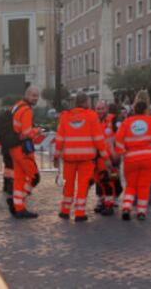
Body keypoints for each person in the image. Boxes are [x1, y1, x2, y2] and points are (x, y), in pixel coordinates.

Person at [54, 93, 109, 222]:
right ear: (85, 103)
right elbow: (98, 139)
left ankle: (65, 210)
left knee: (68, 184)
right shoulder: (91, 116)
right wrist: (105, 156)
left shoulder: (65, 117)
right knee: (83, 184)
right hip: (86, 158)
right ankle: (79, 212)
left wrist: (56, 156)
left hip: (69, 158)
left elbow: (59, 139)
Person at [114, 101, 151, 220]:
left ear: (134, 110)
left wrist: (122, 152)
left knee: (131, 185)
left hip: (131, 159)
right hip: (149, 158)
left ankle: (126, 206)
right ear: (146, 110)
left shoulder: (127, 122)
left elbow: (118, 138)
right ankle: (141, 212)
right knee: (144, 185)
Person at [9, 86, 41, 219]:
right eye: (33, 95)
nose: (35, 98)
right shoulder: (27, 110)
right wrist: (37, 131)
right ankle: (18, 202)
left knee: (19, 179)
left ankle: (18, 207)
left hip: (14, 148)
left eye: (37, 96)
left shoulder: (17, 106)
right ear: (27, 95)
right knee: (34, 177)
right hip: (23, 150)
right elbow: (27, 133)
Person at [93, 101, 118, 216]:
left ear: (107, 109)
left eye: (102, 109)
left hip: (109, 157)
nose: (100, 111)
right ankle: (103, 202)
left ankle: (109, 205)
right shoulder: (93, 121)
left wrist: (115, 155)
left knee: (108, 181)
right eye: (98, 109)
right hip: (96, 156)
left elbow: (118, 138)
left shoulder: (113, 121)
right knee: (100, 181)